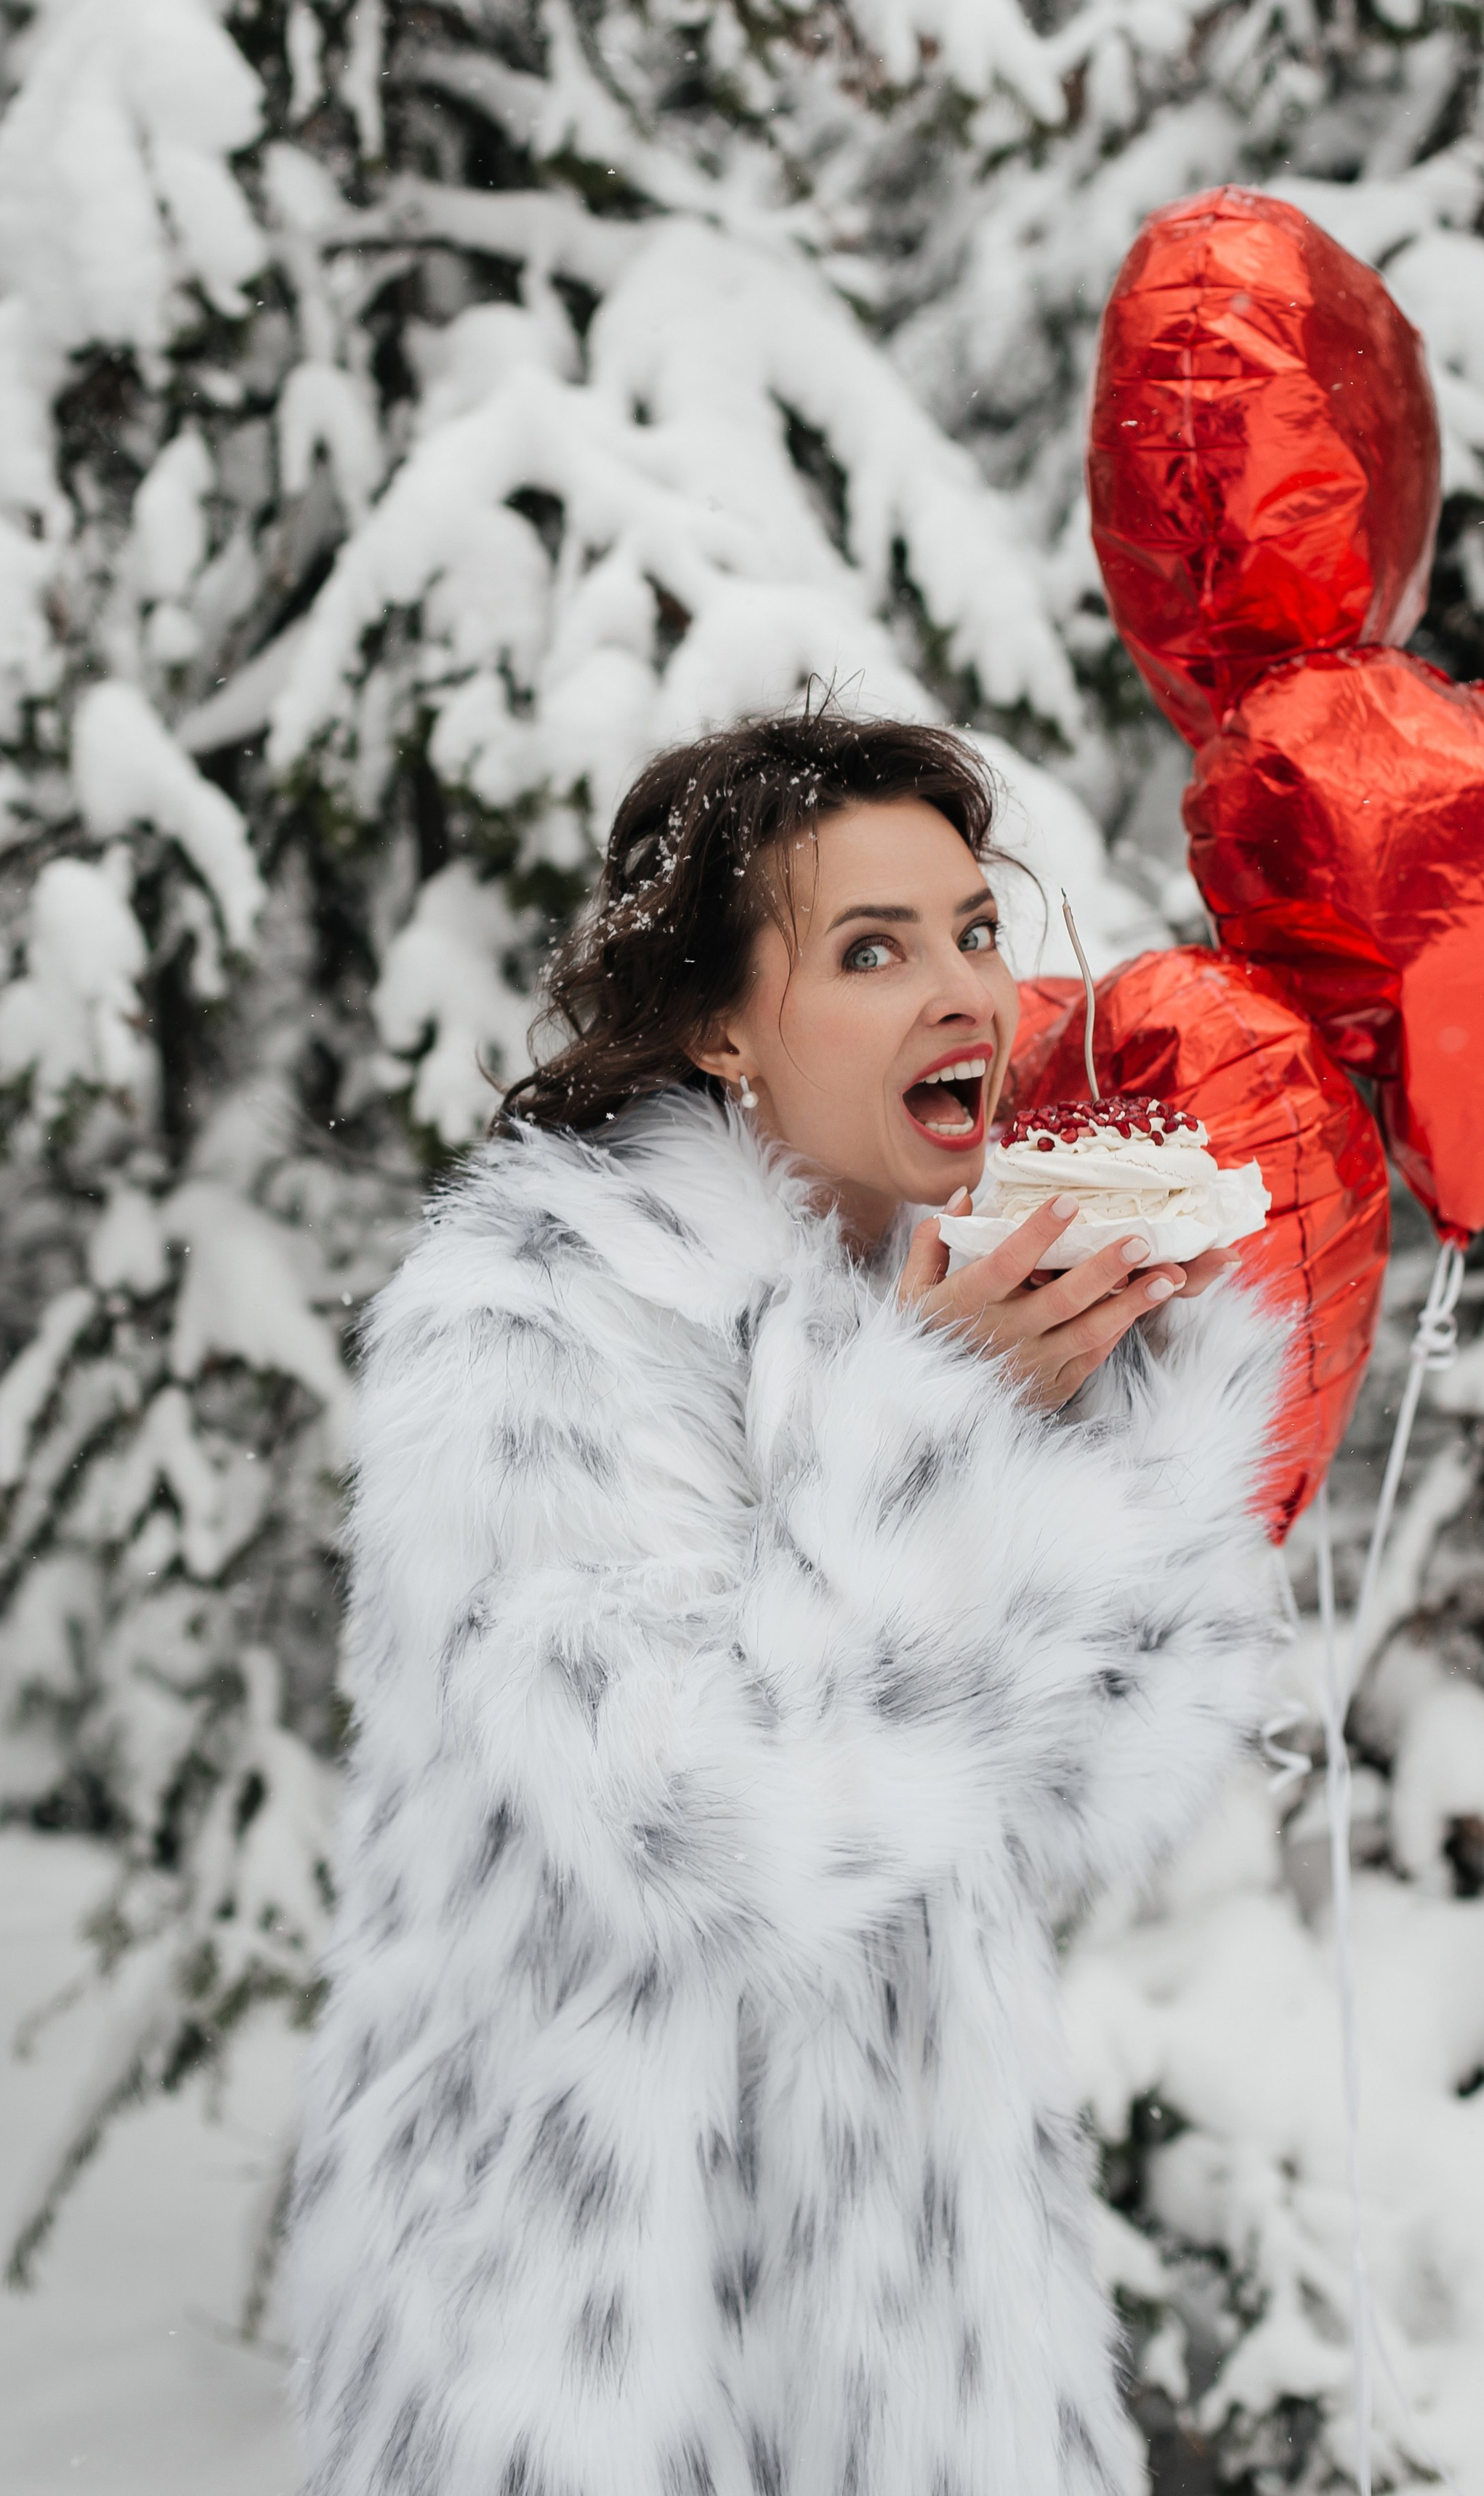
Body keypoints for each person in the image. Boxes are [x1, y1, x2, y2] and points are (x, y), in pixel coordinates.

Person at [289, 707, 1285, 2496]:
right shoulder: (529, 1318)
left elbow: (1101, 1788)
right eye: (871, 950)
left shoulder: (926, 1296)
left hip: (921, 2351)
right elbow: (715, 1834)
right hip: (589, 2347)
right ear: (720, 1025)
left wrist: (1151, 1407)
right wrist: (934, 1425)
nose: (964, 992)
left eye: (975, 931)